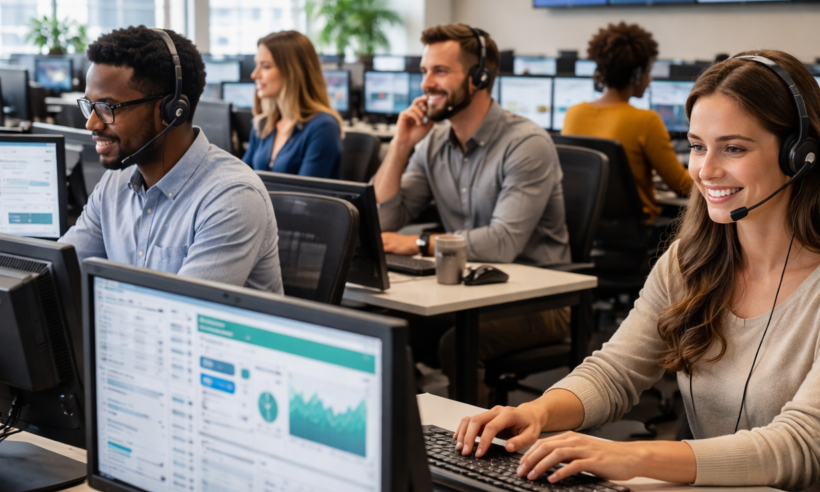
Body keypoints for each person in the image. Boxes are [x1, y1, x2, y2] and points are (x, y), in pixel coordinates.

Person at [454, 50, 820, 492]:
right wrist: (536, 412)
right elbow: (615, 372)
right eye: (697, 146)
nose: (705, 170)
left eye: (733, 148)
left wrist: (631, 457)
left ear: (800, 155)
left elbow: (801, 446)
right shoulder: (690, 261)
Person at [372, 24, 571, 392]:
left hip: (542, 300)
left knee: (459, 343)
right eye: (425, 71)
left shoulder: (525, 144)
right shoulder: (432, 143)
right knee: (383, 325)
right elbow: (382, 219)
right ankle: (411, 428)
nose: (426, 83)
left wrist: (418, 244)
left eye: (440, 71)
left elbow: (502, 242)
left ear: (479, 78)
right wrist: (400, 145)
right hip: (466, 288)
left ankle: (476, 431)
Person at [61, 25, 282, 294]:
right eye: (90, 106)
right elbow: (60, 270)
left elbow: (182, 313)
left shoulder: (232, 198)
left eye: (107, 108)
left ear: (172, 111)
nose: (91, 124)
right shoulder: (114, 184)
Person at [562, 23, 691, 221]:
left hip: (586, 228)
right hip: (636, 231)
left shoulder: (574, 113)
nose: (650, 80)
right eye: (648, 71)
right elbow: (682, 186)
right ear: (637, 74)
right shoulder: (646, 120)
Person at [242, 30, 343, 179]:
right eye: (256, 65)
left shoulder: (323, 127)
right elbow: (241, 178)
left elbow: (305, 192)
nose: (254, 74)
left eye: (266, 66)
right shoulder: (263, 124)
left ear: (292, 72)